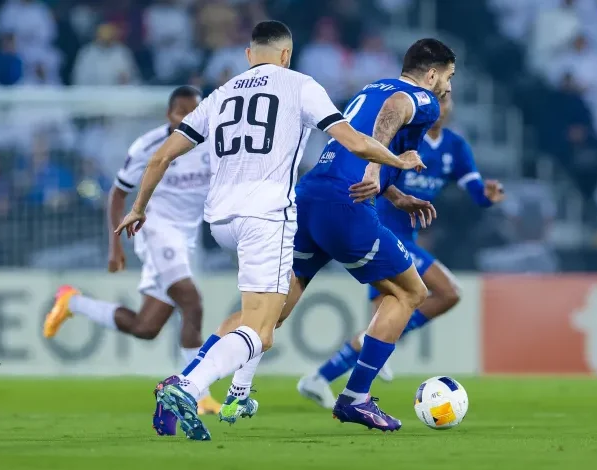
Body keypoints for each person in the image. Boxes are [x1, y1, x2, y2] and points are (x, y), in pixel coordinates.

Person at [114, 21, 425, 441]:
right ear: (286, 55)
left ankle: (234, 391)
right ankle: (185, 387)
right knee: (260, 332)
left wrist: (137, 208)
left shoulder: (220, 94)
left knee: (261, 317)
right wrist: (397, 161)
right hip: (266, 216)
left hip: (221, 220)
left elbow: (161, 157)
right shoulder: (299, 85)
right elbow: (353, 141)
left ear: (248, 55)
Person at [212, 37, 457, 432]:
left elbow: (354, 142)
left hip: (310, 196)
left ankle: (191, 378)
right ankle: (355, 397)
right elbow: (392, 118)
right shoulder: (421, 98)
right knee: (412, 292)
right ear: (431, 73)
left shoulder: (372, 89)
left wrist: (393, 192)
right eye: (448, 76)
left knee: (270, 311)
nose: (448, 87)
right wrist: (375, 172)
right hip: (345, 207)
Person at [298, 95, 503, 406]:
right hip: (378, 229)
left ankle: (319, 379)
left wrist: (488, 196)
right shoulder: (404, 137)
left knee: (380, 325)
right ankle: (346, 382)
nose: (441, 107)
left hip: (404, 237)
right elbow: (374, 171)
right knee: (447, 292)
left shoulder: (455, 147)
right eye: (437, 99)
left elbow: (476, 191)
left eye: (447, 101)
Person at [42, 86, 224, 417]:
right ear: (169, 115)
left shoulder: (211, 143)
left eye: (195, 112)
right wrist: (115, 247)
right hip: (154, 231)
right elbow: (117, 194)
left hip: (186, 239)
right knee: (192, 303)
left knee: (146, 327)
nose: (190, 118)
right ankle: (198, 394)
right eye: (183, 112)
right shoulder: (148, 146)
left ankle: (73, 301)